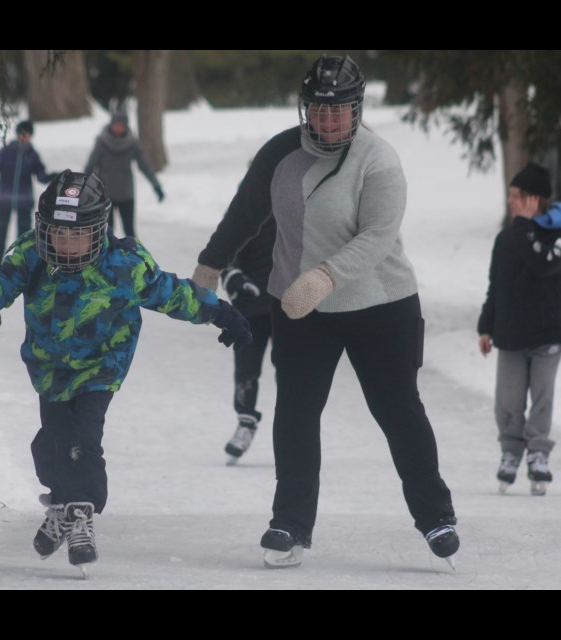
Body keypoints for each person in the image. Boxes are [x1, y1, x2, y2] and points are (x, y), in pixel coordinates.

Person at [192, 55, 458, 569]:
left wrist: (324, 277)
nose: (328, 120)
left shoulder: (378, 160)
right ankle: (289, 524)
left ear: (356, 110)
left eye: (339, 111)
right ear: (305, 108)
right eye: (319, 109)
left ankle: (436, 517)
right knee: (295, 413)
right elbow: (245, 212)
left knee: (398, 411)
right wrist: (209, 266)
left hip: (381, 305)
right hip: (299, 309)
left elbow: (377, 237)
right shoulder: (280, 153)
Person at [0, 170, 251, 570]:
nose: (67, 244)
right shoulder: (31, 255)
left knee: (84, 438)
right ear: (43, 230)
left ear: (99, 231)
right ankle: (61, 505)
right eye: (58, 234)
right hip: (50, 370)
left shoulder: (124, 263)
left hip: (101, 367)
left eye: (78, 236)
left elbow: (171, 292)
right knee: (51, 444)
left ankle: (81, 514)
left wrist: (220, 312)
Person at [477, 162, 561, 496]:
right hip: (511, 335)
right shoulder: (507, 238)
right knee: (508, 399)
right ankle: (510, 450)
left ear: (534, 199)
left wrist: (524, 226)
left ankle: (537, 454)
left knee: (542, 397)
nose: (511, 201)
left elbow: (542, 263)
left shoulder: (560, 236)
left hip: (547, 334)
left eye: (516, 196)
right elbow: (496, 285)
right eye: (510, 195)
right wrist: (485, 326)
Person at [220, 216, 277, 464]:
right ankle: (245, 421)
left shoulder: (305, 200)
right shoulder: (254, 202)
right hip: (251, 305)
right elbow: (228, 245)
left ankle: (293, 433)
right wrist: (233, 277)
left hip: (293, 306)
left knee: (292, 373)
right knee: (246, 371)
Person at [0, 120, 56, 268]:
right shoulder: (6, 151)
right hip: (4, 199)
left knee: (24, 235)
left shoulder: (32, 155)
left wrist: (53, 177)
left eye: (27, 135)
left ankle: (24, 263)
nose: (23, 137)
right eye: (21, 134)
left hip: (24, 201)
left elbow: (41, 175)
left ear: (31, 136)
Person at [83, 113, 164, 239]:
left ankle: (134, 257)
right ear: (111, 125)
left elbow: (144, 166)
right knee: (106, 231)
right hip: (105, 194)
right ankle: (106, 257)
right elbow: (90, 166)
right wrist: (84, 189)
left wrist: (156, 185)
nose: (118, 128)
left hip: (126, 193)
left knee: (129, 231)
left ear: (126, 126)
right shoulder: (102, 142)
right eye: (116, 125)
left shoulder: (132, 143)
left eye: (121, 125)